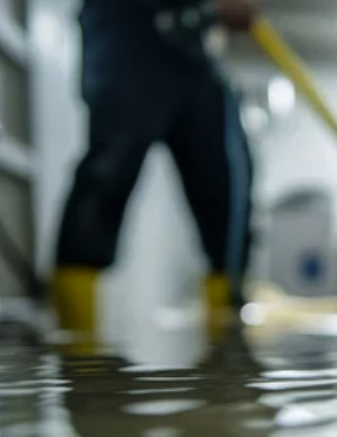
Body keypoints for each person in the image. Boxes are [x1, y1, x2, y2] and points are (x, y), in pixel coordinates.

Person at [52, 0, 258, 337]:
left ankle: (229, 346)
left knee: (228, 187)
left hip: (194, 43)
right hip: (126, 27)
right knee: (108, 172)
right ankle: (76, 344)